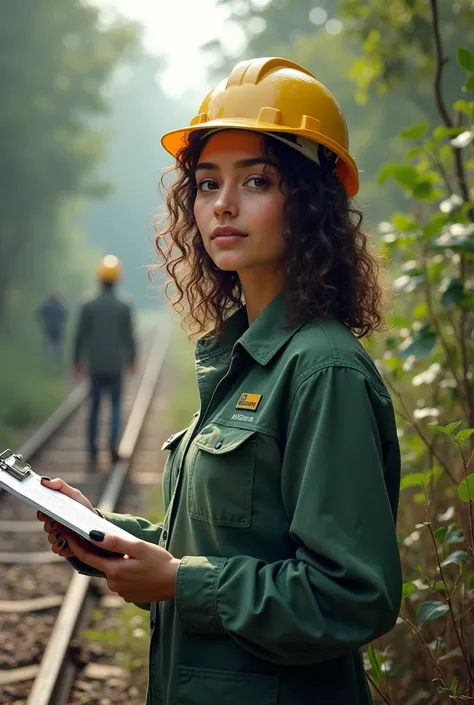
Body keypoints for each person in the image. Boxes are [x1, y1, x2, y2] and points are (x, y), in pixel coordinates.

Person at [38, 58, 402, 704]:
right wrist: (109, 535)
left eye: (255, 180)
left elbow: (353, 595)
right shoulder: (237, 358)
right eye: (207, 184)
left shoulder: (322, 369)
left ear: (311, 203)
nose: (223, 205)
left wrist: (181, 582)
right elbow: (224, 548)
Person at [73, 255, 136, 467]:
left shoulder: (88, 306)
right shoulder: (123, 306)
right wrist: (132, 359)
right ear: (117, 280)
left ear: (99, 279)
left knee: (94, 407)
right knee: (116, 405)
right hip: (115, 365)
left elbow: (80, 335)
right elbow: (129, 336)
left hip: (96, 364)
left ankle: (92, 450)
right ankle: (112, 445)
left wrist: (77, 361)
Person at [37, 289, 68, 358]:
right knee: (53, 345)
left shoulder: (47, 303)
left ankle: (49, 360)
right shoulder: (61, 305)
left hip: (51, 327)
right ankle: (50, 360)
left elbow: (40, 312)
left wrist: (44, 321)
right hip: (55, 328)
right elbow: (65, 314)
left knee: (50, 344)